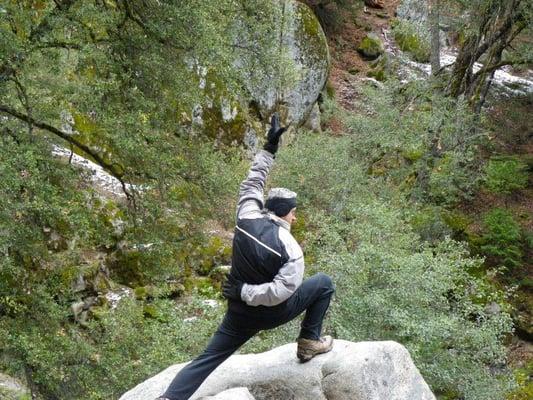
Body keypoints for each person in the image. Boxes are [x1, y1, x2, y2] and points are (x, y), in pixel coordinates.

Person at [157, 114, 335, 400]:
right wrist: (248, 291)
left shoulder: (246, 216)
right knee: (323, 283)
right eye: (293, 211)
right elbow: (279, 292)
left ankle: (168, 398)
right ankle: (309, 343)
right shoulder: (290, 248)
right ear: (283, 213)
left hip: (239, 312)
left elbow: (253, 181)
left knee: (208, 358)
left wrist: (269, 147)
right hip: (268, 312)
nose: (295, 216)